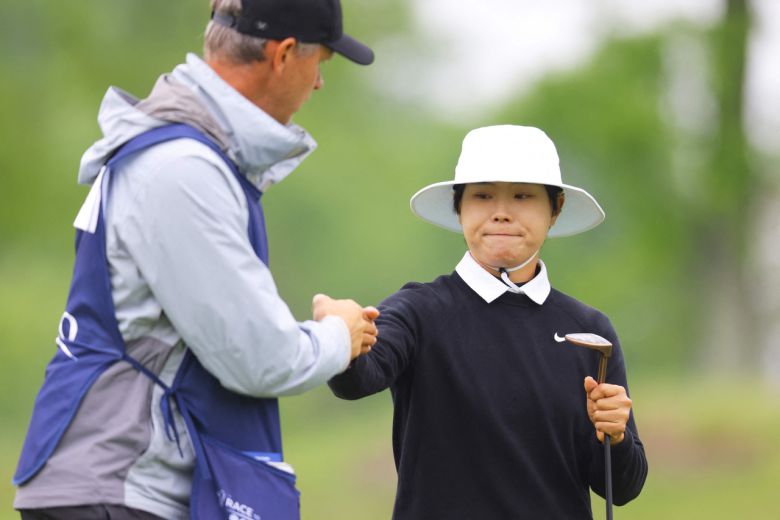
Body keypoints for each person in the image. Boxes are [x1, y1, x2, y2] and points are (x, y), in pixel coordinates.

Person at [14, 1, 377, 519]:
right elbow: (261, 358)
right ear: (283, 55)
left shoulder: (173, 153)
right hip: (117, 488)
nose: (319, 82)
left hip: (109, 485)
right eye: (319, 61)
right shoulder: (182, 169)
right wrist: (339, 333)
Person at [329, 125, 648, 518]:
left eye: (522, 195)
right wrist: (342, 337)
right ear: (458, 206)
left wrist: (615, 435)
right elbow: (358, 379)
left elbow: (624, 485)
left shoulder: (590, 331)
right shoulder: (418, 312)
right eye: (482, 195)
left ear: (555, 208)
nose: (501, 211)